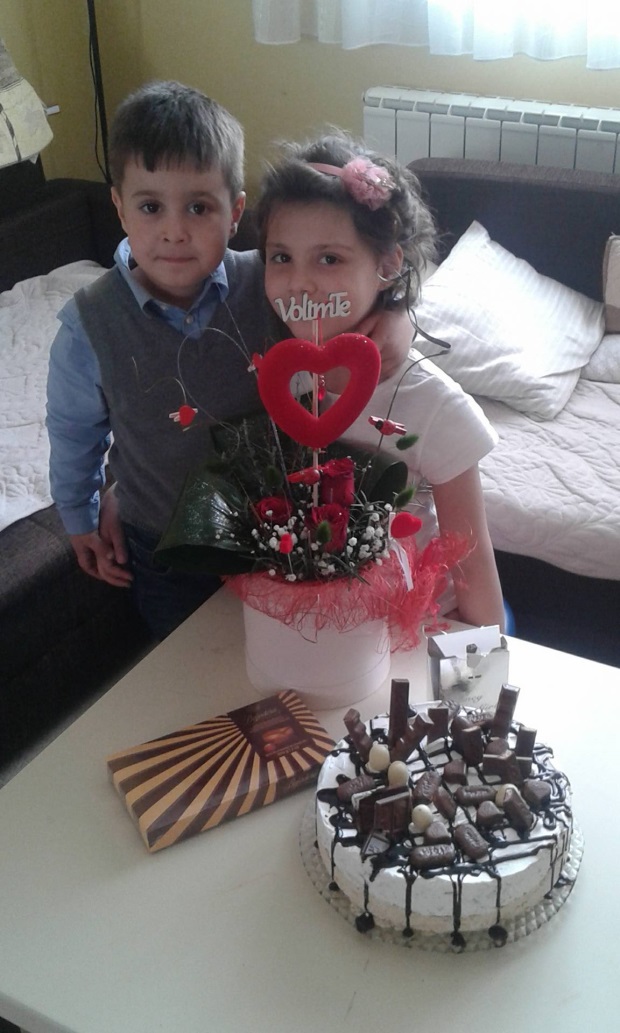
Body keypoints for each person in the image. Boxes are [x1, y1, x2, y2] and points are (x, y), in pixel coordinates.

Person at [46, 82, 413, 640]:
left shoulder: (268, 280)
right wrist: (80, 515)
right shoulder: (88, 324)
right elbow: (74, 434)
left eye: (199, 207)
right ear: (118, 207)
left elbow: (347, 297)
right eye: (150, 207)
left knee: (279, 656)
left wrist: (397, 317)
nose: (174, 231)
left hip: (276, 532)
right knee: (194, 660)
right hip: (165, 544)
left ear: (236, 212)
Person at [254, 131, 505, 629]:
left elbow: (474, 578)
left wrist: (473, 666)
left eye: (329, 258)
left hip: (413, 625)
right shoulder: (278, 374)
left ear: (388, 265)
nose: (299, 282)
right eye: (281, 257)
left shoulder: (436, 409)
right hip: (314, 623)